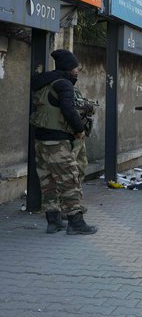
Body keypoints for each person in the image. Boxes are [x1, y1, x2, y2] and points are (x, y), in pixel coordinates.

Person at [30, 49, 97, 235]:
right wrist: (79, 130)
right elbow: (69, 111)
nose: (77, 72)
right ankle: (76, 222)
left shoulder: (43, 83)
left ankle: (53, 221)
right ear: (69, 68)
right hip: (57, 142)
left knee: (48, 181)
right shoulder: (64, 85)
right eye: (76, 68)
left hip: (40, 141)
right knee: (69, 180)